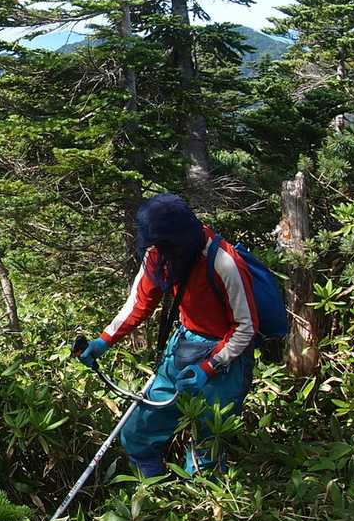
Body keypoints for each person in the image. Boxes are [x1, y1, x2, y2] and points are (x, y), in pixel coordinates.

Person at [77, 193, 259, 477]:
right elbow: (139, 301)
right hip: (185, 345)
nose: (158, 251)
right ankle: (153, 491)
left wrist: (210, 366)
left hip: (226, 358)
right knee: (138, 432)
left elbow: (246, 327)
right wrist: (104, 341)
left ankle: (200, 495)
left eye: (164, 246)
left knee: (206, 448)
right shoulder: (158, 253)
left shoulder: (223, 262)